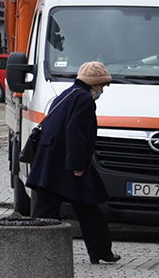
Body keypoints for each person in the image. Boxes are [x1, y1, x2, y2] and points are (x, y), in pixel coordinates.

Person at [26, 59, 118, 264]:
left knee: (47, 210)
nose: (102, 90)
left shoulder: (68, 94)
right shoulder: (84, 99)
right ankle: (101, 251)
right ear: (94, 84)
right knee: (88, 208)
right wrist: (77, 165)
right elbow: (76, 133)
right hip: (67, 165)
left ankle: (34, 251)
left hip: (52, 162)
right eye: (102, 86)